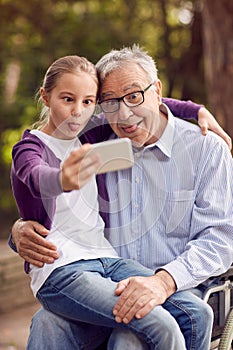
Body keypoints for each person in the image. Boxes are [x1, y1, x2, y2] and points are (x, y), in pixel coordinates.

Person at [10, 46, 233, 350]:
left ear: (157, 91)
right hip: (103, 282)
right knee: (47, 323)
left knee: (131, 334)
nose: (124, 114)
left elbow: (221, 239)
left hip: (178, 286)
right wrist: (20, 229)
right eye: (110, 102)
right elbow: (43, 184)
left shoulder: (206, 150)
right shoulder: (98, 144)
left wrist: (162, 282)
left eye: (133, 97)